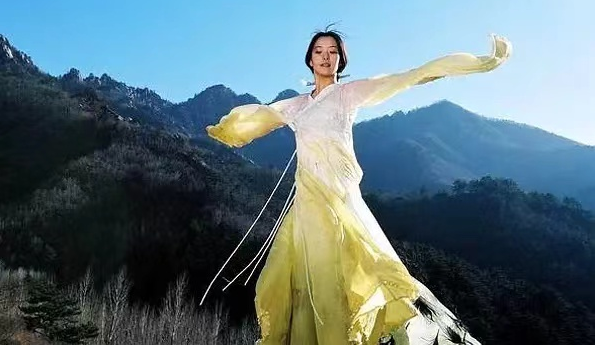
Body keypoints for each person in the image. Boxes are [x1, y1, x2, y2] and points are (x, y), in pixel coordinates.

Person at [202, 27, 512, 344]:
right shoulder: (296, 106)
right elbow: (263, 115)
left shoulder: (348, 94)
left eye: (332, 52)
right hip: (308, 202)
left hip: (341, 198)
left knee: (355, 272)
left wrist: (480, 62)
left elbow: (408, 78)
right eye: (319, 51)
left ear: (341, 59)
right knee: (303, 282)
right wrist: (227, 130)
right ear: (309, 59)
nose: (325, 57)